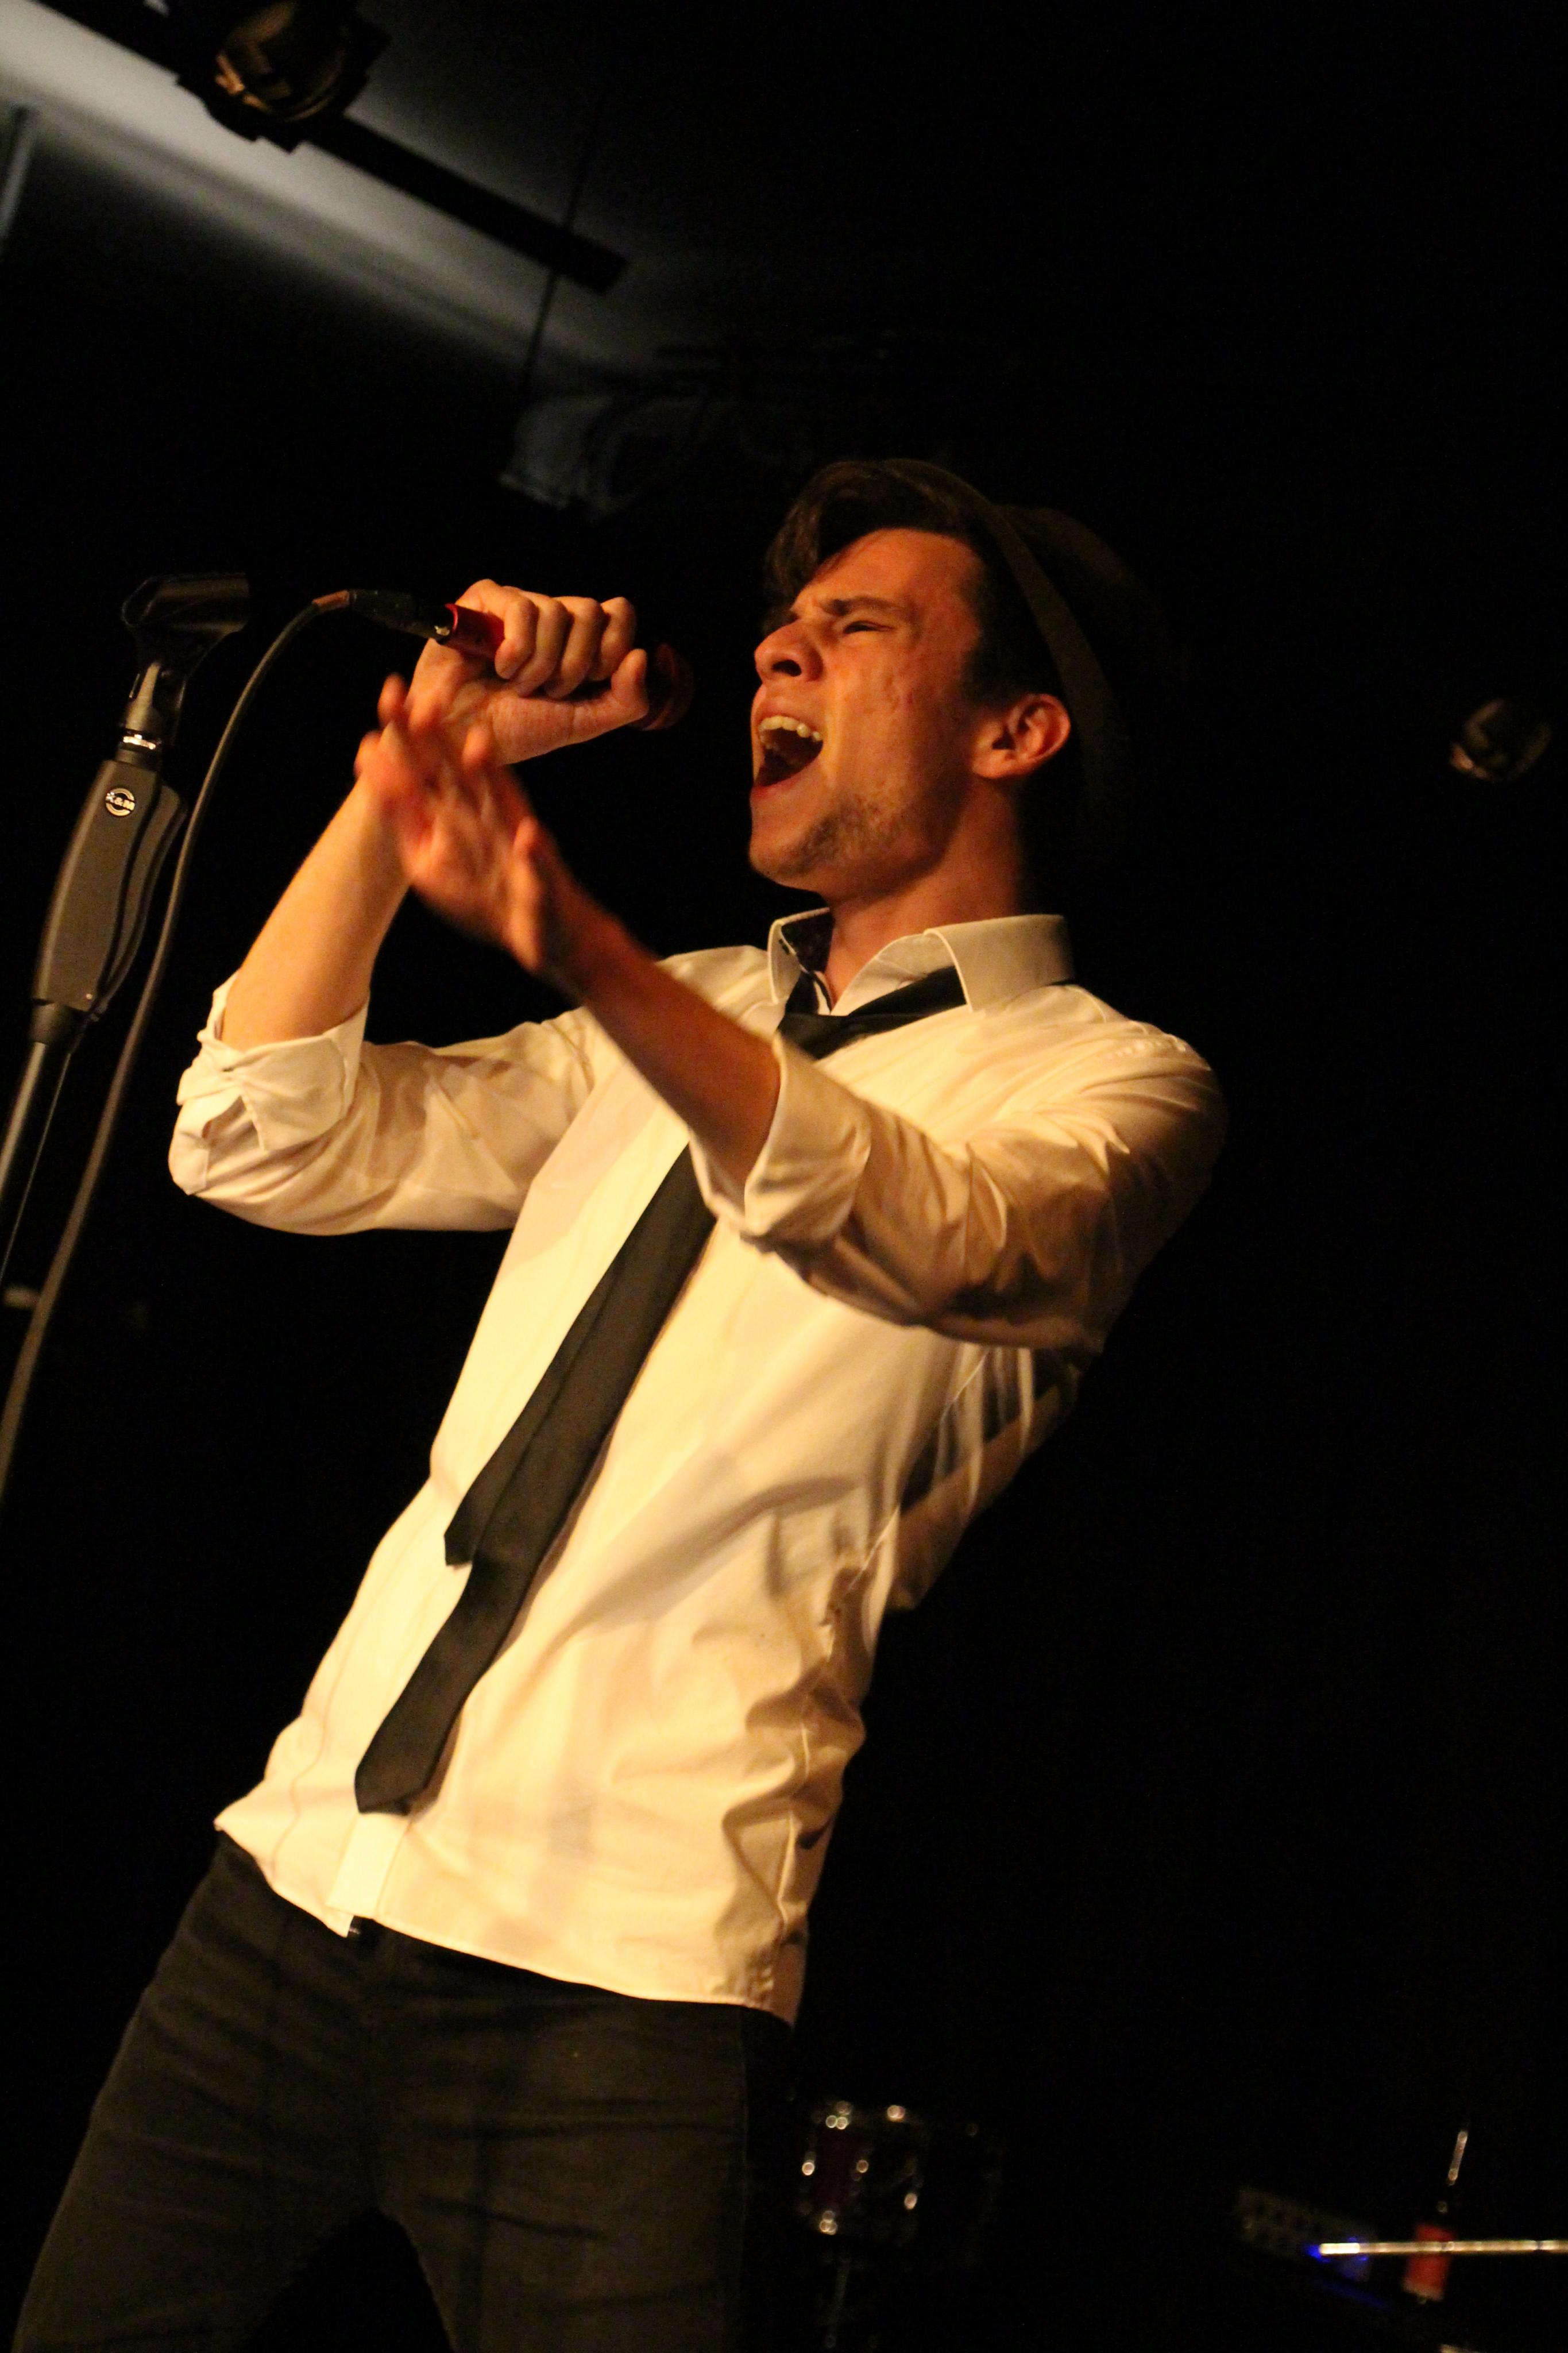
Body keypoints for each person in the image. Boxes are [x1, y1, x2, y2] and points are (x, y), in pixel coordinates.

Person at [16, 460, 1225, 2351]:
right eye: (779, 630)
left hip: (625, 1977)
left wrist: (567, 933)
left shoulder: (1112, 1086)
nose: (778, 654)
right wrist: (415, 775)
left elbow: (932, 1229)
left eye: (853, 629)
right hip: (299, 1884)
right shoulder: (681, 1004)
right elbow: (256, 1138)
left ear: (1015, 730)